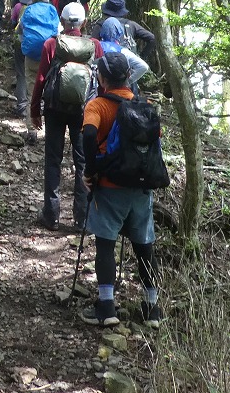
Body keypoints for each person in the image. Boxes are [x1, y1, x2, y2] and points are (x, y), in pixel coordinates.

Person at [81, 52, 163, 328]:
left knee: (105, 244)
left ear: (102, 78)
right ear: (129, 76)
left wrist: (90, 171)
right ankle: (152, 309)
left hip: (109, 185)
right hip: (141, 188)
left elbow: (88, 135)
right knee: (144, 247)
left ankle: (107, 308)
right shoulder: (146, 107)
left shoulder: (97, 105)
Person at [30, 2, 99, 230]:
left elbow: (41, 79)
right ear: (84, 22)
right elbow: (101, 81)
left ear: (62, 20)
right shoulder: (94, 46)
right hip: (84, 111)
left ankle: (51, 216)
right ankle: (82, 219)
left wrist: (35, 110)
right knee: (82, 161)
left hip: (55, 109)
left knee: (53, 160)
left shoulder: (52, 44)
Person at [87, 0, 157, 66]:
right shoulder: (131, 25)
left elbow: (91, 45)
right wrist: (141, 57)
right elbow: (152, 38)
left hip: (106, 66)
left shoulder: (101, 25)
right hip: (129, 66)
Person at [8, 0, 42, 118]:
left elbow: (13, 23)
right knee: (39, 75)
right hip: (41, 46)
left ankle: (22, 106)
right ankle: (38, 105)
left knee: (22, 74)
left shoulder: (18, 7)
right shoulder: (45, 9)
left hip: (21, 43)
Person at [98, 17, 150, 91]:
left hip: (98, 89)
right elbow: (143, 66)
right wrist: (128, 82)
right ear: (119, 33)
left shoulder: (95, 46)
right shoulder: (123, 51)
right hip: (119, 90)